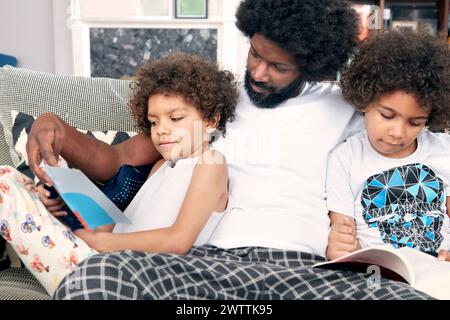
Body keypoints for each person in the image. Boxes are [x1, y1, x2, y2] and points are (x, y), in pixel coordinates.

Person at [28, 0, 431, 299]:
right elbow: (113, 159)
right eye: (255, 53)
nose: (258, 72)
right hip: (204, 263)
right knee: (94, 278)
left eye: (278, 67)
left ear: (310, 64)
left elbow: (417, 148)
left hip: (308, 270)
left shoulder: (347, 110)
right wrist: (55, 128)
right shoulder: (210, 103)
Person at [0, 52, 237, 296]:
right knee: (11, 178)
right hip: (103, 258)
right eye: (154, 122)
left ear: (210, 120)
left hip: (134, 276)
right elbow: (113, 228)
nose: (161, 130)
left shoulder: (211, 164)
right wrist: (60, 207)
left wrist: (100, 243)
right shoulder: (159, 167)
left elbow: (177, 241)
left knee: (2, 186)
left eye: (175, 118)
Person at [326, 30, 450, 262]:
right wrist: (340, 247)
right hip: (376, 270)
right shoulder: (346, 158)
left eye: (415, 123)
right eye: (387, 115)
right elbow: (342, 229)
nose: (397, 133)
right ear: (365, 100)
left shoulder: (445, 151)